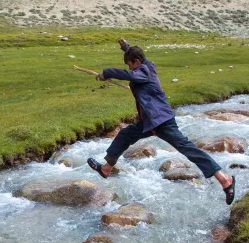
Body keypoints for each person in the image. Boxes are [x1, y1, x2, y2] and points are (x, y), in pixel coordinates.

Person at [87, 38, 236, 205]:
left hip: (161, 121)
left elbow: (129, 74)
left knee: (189, 149)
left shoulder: (144, 72)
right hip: (149, 121)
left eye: (130, 64)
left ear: (136, 62)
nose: (130, 68)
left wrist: (106, 73)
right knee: (125, 135)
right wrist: (126, 48)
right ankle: (106, 168)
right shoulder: (147, 65)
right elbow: (136, 62)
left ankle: (225, 180)